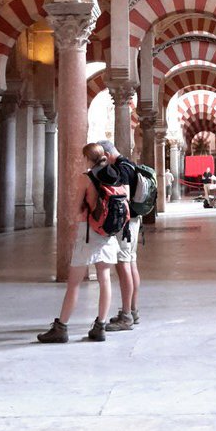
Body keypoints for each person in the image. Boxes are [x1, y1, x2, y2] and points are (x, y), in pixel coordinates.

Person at [37, 143, 120, 343]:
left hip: (89, 232)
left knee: (74, 283)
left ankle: (61, 327)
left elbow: (76, 208)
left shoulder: (86, 177)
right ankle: (100, 326)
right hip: (108, 233)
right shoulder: (116, 175)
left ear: (87, 158)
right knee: (105, 278)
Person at [97, 140, 141, 331]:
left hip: (126, 222)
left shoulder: (120, 169)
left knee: (123, 265)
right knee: (130, 262)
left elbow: (123, 197)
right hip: (135, 221)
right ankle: (132, 310)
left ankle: (126, 316)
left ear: (107, 154)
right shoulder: (130, 164)